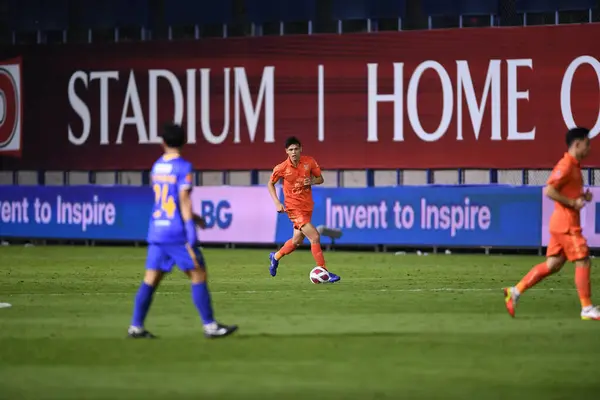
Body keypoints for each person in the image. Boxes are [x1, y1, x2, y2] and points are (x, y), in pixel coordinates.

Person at [127, 123, 238, 338]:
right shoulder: (183, 167)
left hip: (157, 229)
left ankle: (136, 327)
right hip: (176, 232)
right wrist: (190, 229)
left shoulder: (157, 166)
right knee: (198, 273)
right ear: (185, 142)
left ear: (163, 143)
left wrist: (194, 217)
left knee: (151, 278)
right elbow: (184, 199)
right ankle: (210, 326)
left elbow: (165, 199)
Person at [503, 127, 599, 321]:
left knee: (553, 265)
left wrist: (581, 196)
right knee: (583, 260)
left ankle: (515, 291)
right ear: (577, 143)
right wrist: (573, 203)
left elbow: (565, 191)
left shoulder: (574, 166)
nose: (589, 148)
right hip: (566, 224)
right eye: (587, 144)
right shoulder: (565, 165)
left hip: (561, 222)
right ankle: (587, 308)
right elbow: (550, 190)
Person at [267, 136, 341, 283]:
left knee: (296, 241)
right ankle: (324, 270)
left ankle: (275, 257)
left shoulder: (309, 162)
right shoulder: (281, 168)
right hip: (293, 208)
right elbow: (270, 184)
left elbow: (320, 179)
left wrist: (312, 181)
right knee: (314, 236)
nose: (293, 152)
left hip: (307, 207)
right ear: (286, 152)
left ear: (301, 149)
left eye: (296, 149)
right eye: (290, 150)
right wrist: (277, 202)